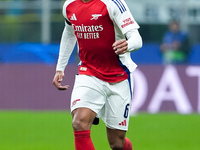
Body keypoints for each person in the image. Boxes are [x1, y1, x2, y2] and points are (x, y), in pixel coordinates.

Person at [53, 0, 142, 149]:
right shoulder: (69, 5)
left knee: (117, 144)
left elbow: (137, 38)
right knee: (79, 122)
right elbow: (69, 34)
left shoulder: (113, 3)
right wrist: (60, 68)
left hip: (119, 77)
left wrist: (128, 44)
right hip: (89, 73)